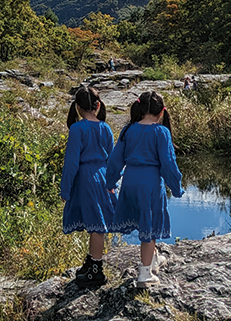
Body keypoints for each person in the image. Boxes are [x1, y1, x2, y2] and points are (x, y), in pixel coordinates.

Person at [106, 90, 183, 287]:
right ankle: (145, 273)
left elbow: (115, 160)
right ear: (162, 112)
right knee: (149, 226)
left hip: (129, 181)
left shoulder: (128, 130)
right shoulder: (161, 132)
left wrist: (110, 182)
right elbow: (168, 164)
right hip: (150, 183)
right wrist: (176, 187)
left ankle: (154, 257)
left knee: (144, 222)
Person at [61, 86, 117, 287]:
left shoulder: (77, 129)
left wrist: (65, 188)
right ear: (98, 105)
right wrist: (113, 182)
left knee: (95, 225)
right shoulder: (105, 128)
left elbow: (71, 162)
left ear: (77, 107)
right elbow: (113, 159)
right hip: (103, 176)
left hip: (86, 178)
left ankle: (96, 269)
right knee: (97, 223)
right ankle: (92, 262)